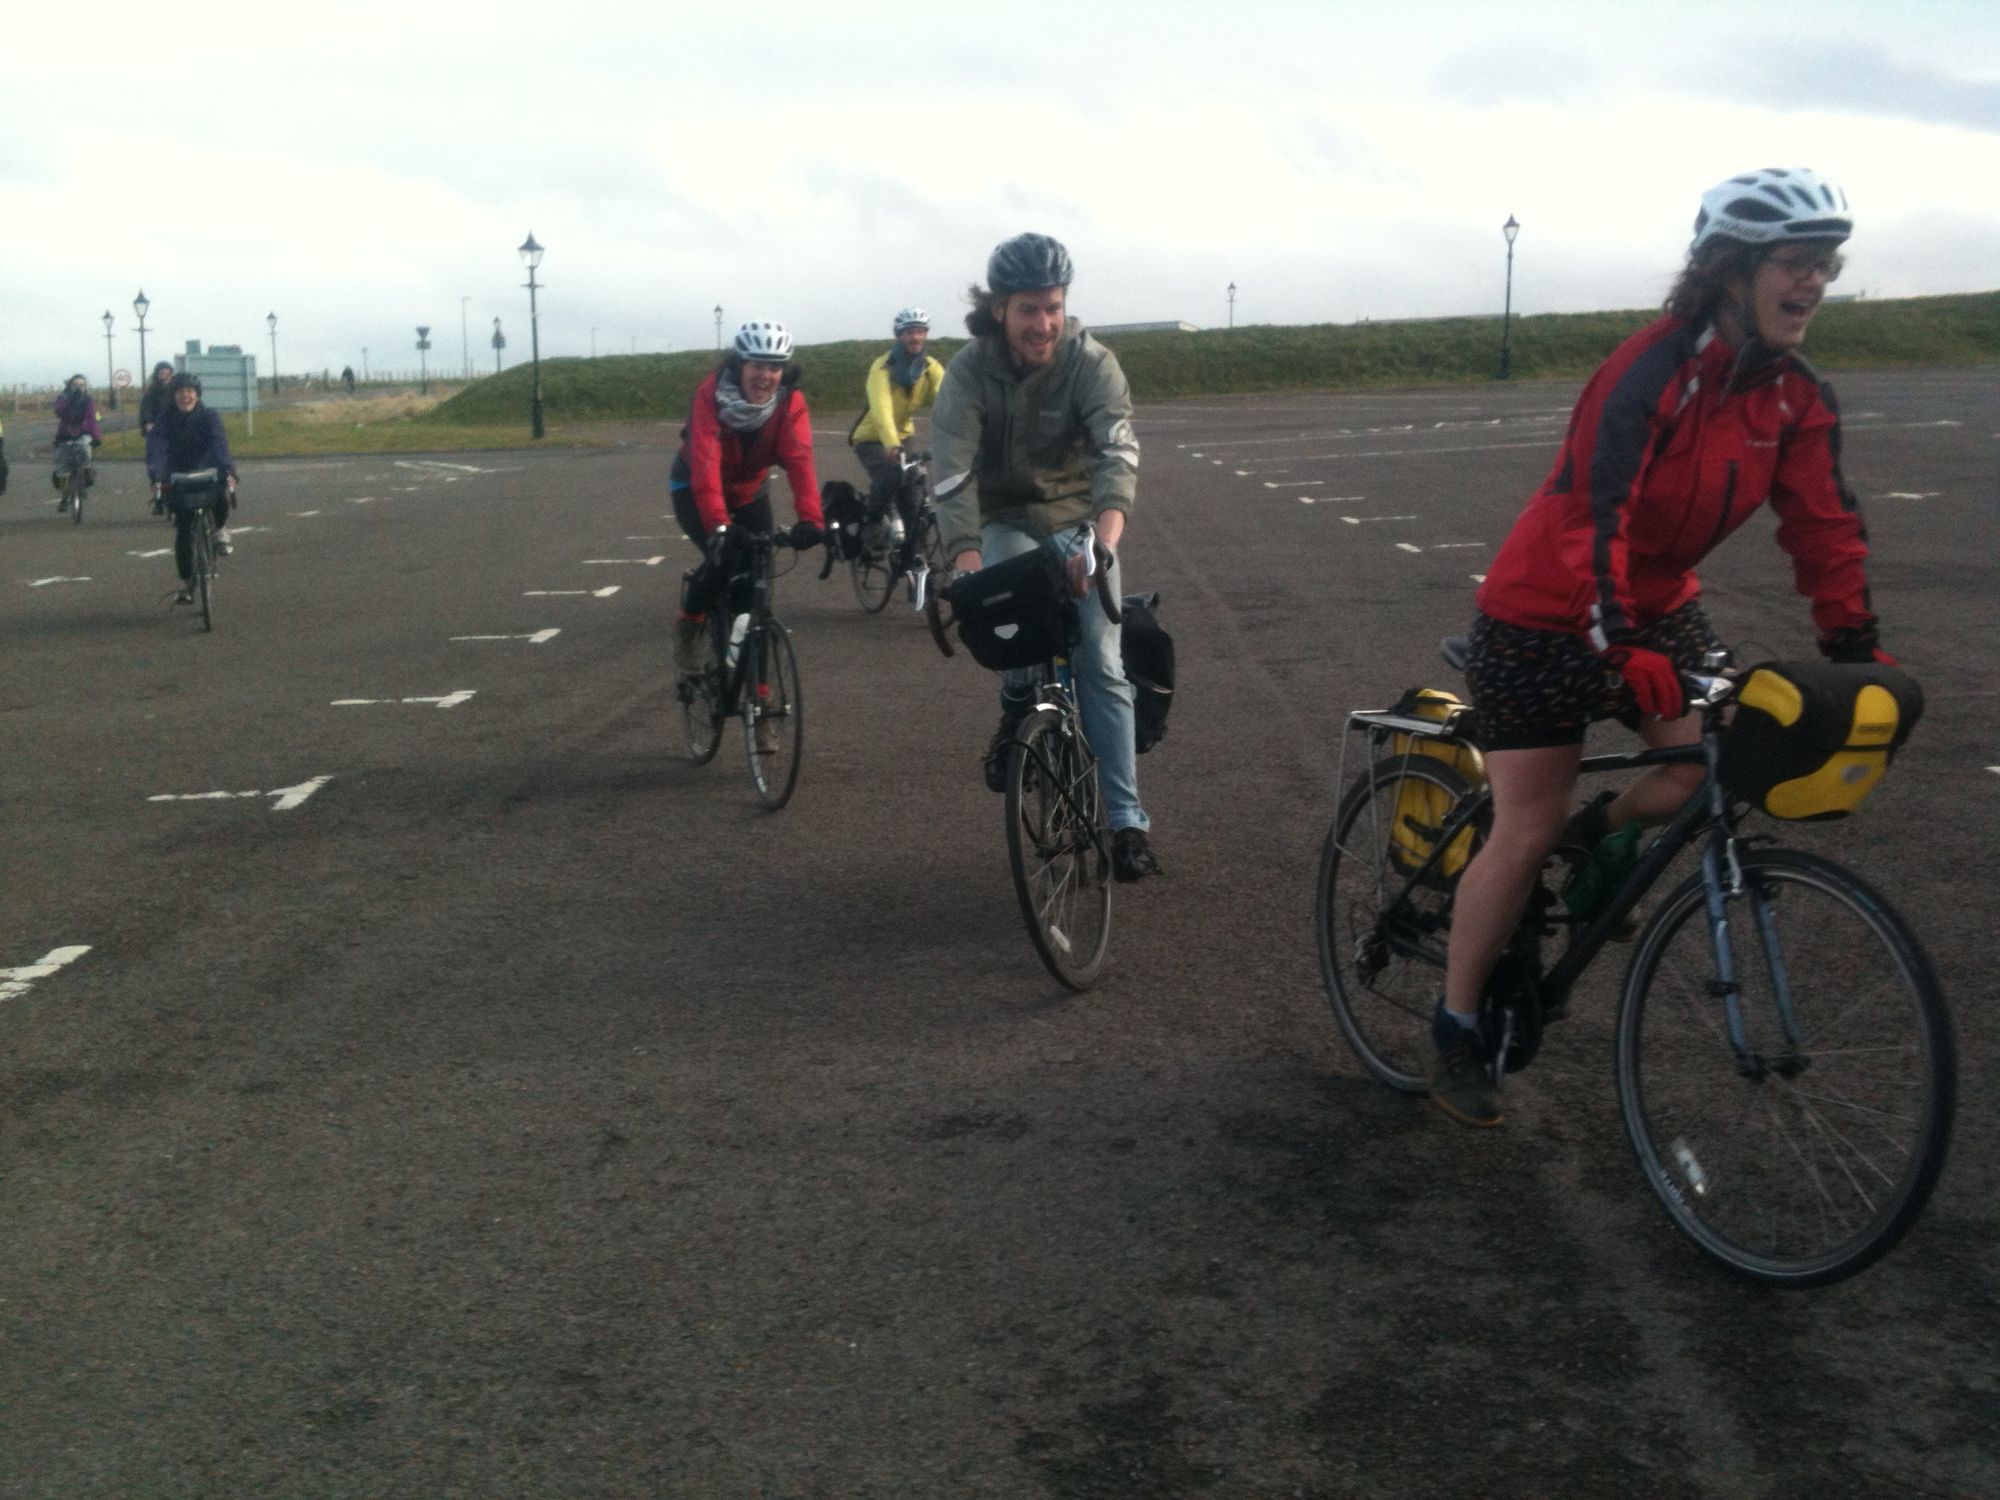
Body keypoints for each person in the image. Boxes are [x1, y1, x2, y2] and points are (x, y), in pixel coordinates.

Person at [1430, 168, 1888, 1127]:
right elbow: (1595, 514)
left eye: (1824, 266)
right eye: (1793, 263)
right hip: (1543, 609)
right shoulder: (1652, 368)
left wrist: (1855, 648)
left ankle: (1600, 838)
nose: (1811, 282)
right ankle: (1457, 1025)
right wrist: (1615, 639)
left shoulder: (1796, 398)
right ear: (1731, 270)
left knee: (1699, 765)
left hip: (1655, 604)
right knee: (1523, 825)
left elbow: (1825, 527)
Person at [930, 232, 1159, 882]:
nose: (1044, 323)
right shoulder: (970, 371)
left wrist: (1106, 547)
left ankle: (1127, 825)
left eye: (1053, 307)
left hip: (1079, 523)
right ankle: (1016, 703)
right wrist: (967, 563)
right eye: (1029, 309)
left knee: (1102, 660)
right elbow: (951, 473)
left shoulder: (1091, 363)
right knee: (1014, 629)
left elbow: (1118, 456)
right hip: (1005, 521)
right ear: (999, 309)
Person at [669, 320, 826, 743]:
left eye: (775, 367)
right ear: (739, 365)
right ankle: (690, 624)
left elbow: (800, 459)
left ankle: (761, 703)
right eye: (758, 365)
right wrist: (719, 525)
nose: (766, 375)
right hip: (695, 488)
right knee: (724, 559)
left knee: (756, 593)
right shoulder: (710, 395)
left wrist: (812, 519)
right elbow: (703, 461)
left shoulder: (789, 402)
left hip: (749, 491)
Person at [848, 306, 945, 576]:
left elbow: (949, 401)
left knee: (914, 497)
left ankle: (911, 563)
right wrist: (891, 444)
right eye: (910, 332)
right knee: (891, 473)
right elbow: (881, 409)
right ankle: (872, 520)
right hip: (871, 438)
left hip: (903, 435)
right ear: (899, 336)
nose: (916, 337)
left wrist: (964, 433)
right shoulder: (882, 366)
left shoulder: (929, 368)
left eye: (920, 331)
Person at [145, 372, 238, 604]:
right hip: (177, 476)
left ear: (197, 395)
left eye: (189, 391)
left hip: (207, 471)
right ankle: (188, 582)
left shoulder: (209, 417)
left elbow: (219, 443)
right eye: (179, 391)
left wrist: (227, 470)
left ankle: (220, 529)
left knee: (220, 496)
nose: (185, 396)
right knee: (184, 531)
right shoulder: (165, 420)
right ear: (173, 395)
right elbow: (156, 449)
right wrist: (157, 475)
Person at [51, 375, 102, 507]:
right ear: (70, 385)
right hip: (65, 434)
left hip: (83, 433)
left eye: (82, 384)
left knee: (85, 453)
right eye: (76, 384)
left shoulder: (88, 400)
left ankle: (83, 482)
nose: (79, 387)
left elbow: (92, 419)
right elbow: (58, 411)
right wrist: (70, 400)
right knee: (62, 469)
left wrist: (96, 437)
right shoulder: (63, 397)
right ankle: (64, 496)